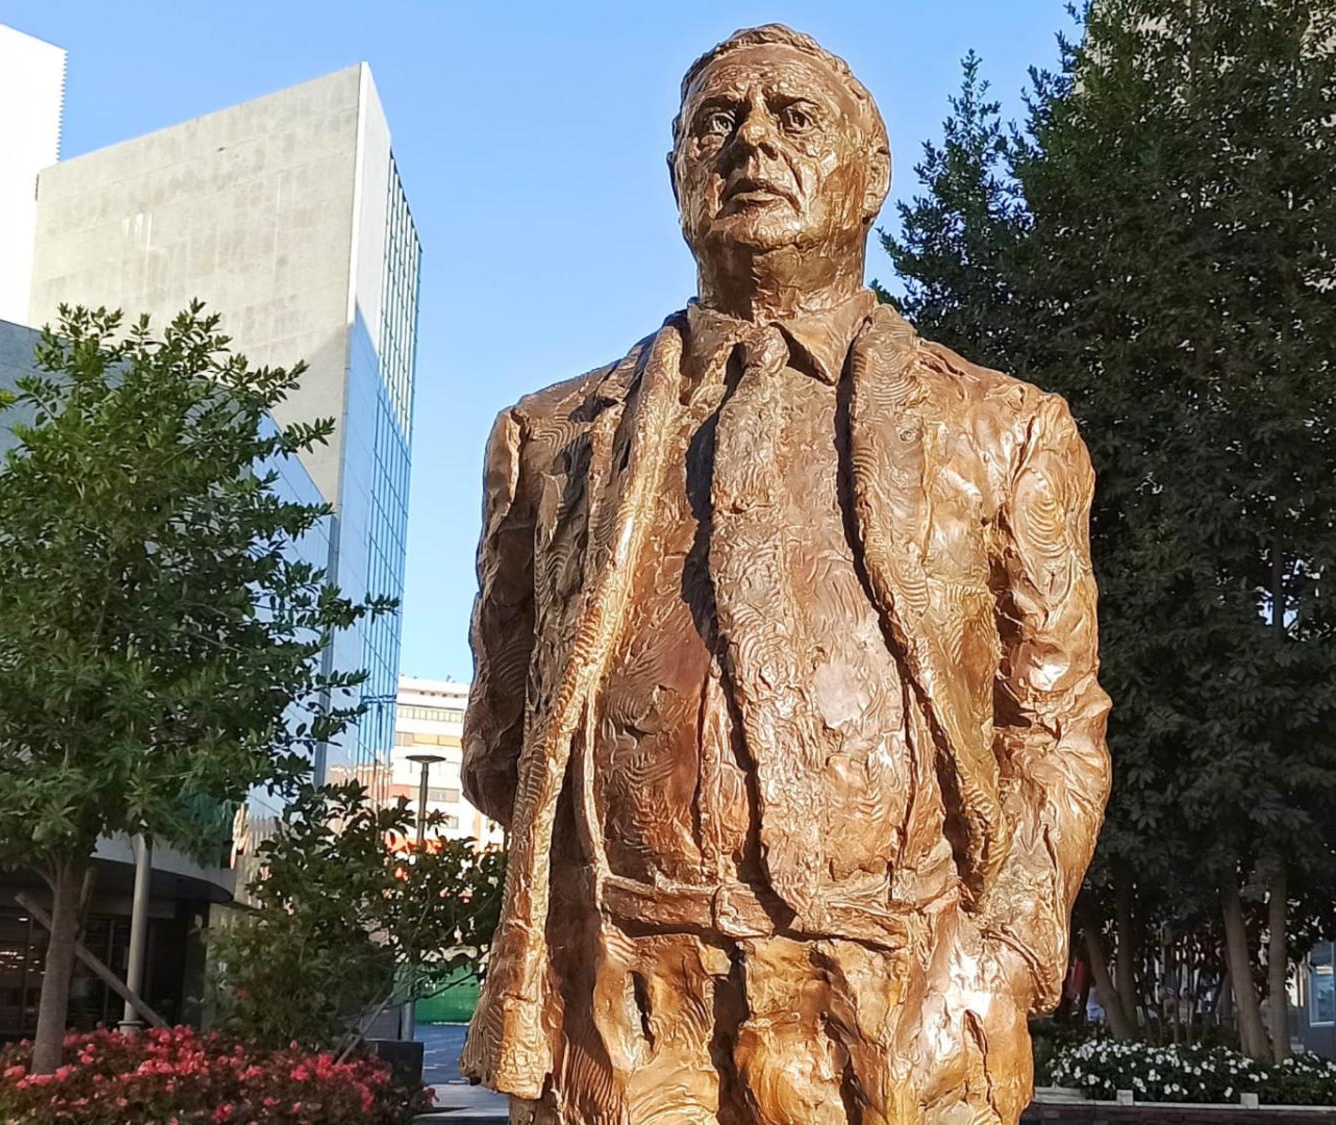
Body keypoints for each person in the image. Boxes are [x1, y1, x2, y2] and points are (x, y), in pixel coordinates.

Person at [458, 24, 1112, 1125]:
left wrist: (1001, 951)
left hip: (904, 985)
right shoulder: (548, 437)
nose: (749, 140)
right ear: (674, 174)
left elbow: (1054, 726)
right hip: (625, 1000)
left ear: (869, 175)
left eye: (792, 117)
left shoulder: (999, 429)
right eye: (715, 121)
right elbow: (498, 741)